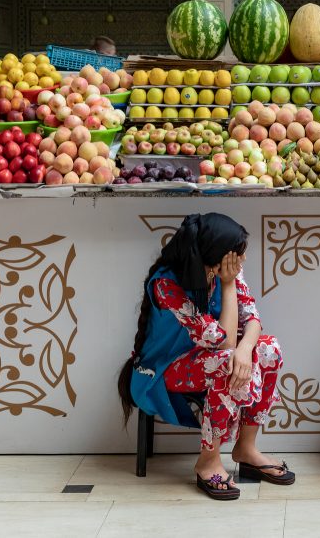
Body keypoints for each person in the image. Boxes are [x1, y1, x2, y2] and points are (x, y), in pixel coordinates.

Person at [116, 213, 295, 501]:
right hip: (164, 369)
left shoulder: (225, 268)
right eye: (237, 255)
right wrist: (227, 286)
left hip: (210, 355)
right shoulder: (167, 286)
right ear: (214, 259)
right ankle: (208, 461)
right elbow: (221, 339)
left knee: (269, 349)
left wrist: (247, 350)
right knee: (225, 363)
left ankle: (245, 448)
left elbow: (252, 318)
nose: (242, 262)